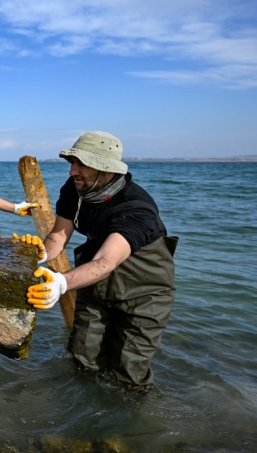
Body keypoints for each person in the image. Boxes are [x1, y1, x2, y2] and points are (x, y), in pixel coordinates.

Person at [21, 131, 177, 390]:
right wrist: (41, 254)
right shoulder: (75, 189)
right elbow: (59, 236)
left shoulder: (136, 208)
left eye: (82, 164)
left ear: (106, 171)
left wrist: (61, 283)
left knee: (129, 372)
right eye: (72, 163)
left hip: (143, 293)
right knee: (82, 358)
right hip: (95, 285)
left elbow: (106, 262)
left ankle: (126, 425)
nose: (73, 171)